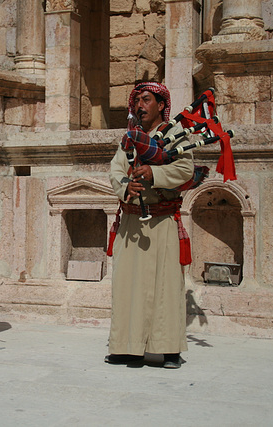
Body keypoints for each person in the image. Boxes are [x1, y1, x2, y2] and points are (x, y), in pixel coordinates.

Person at [105, 82, 194, 368]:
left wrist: (153, 173)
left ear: (160, 105)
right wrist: (125, 186)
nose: (140, 106)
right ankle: (127, 347)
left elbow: (184, 169)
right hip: (131, 221)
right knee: (127, 285)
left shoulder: (175, 134)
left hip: (161, 220)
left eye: (146, 100)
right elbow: (116, 168)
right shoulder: (131, 137)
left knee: (166, 287)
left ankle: (168, 349)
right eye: (137, 101)